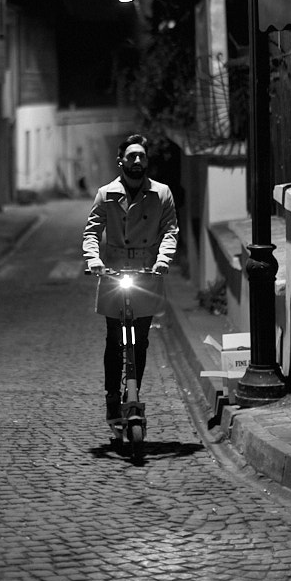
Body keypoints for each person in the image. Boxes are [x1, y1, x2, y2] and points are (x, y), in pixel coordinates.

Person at [82, 134, 179, 420]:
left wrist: (163, 260)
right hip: (113, 274)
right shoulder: (106, 193)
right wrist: (94, 260)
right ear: (120, 161)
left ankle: (132, 394)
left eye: (142, 156)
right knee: (114, 340)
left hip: (146, 274)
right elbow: (91, 232)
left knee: (141, 340)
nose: (137, 161)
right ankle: (112, 395)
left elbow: (170, 231)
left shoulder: (162, 193)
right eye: (132, 156)